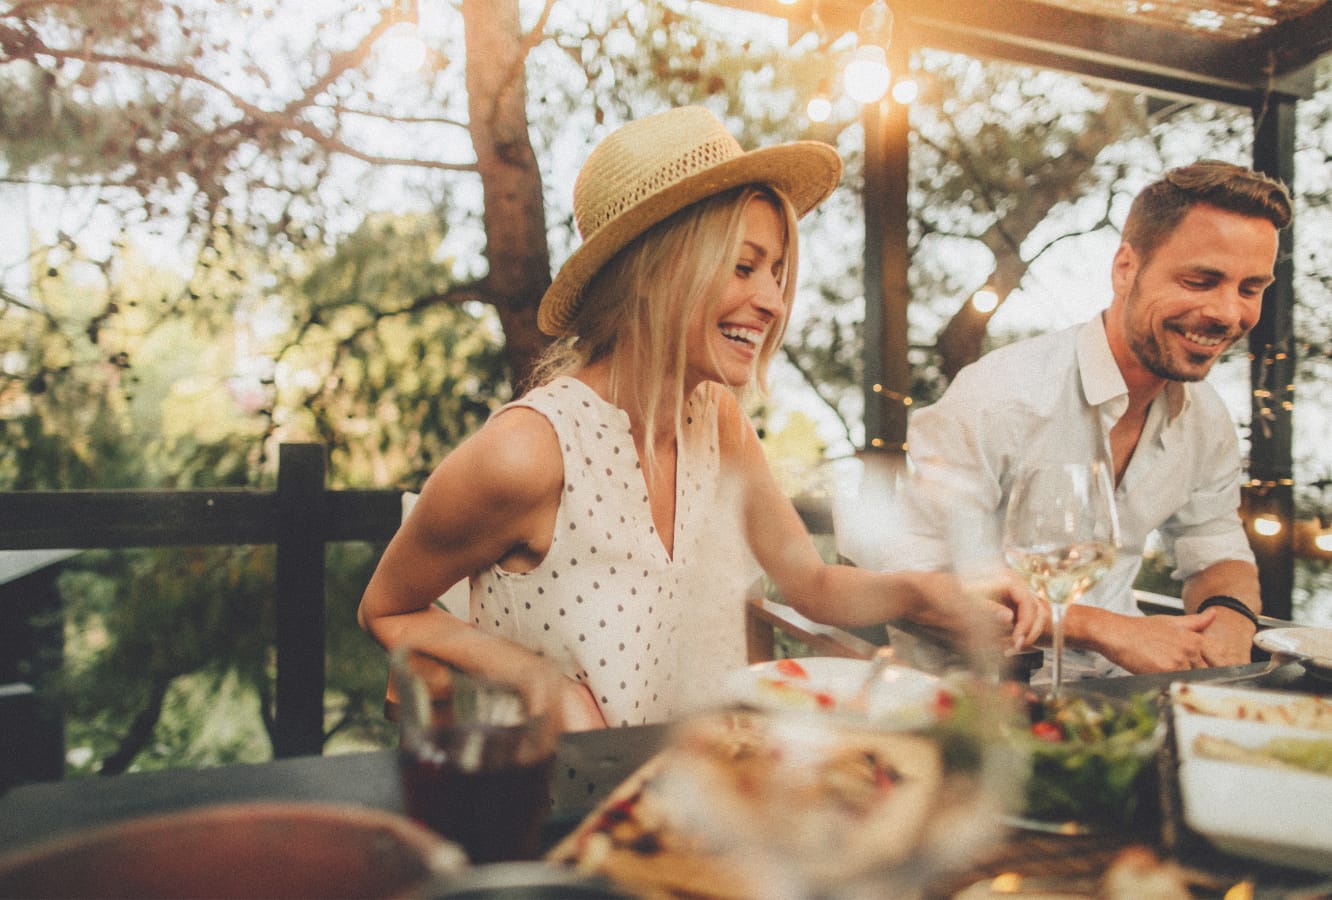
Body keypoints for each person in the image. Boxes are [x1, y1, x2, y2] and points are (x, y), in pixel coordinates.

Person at [358, 105, 1045, 731]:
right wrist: (536, 679)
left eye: (776, 272)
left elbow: (812, 584)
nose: (773, 301)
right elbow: (387, 608)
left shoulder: (716, 418)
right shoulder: (528, 452)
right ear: (654, 272)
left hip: (705, 799)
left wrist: (928, 589)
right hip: (560, 813)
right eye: (744, 266)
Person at [885, 159, 1293, 682]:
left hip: (1126, 693)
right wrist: (1103, 628)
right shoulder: (1000, 397)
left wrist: (1232, 619)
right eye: (1200, 280)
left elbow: (1215, 548)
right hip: (974, 701)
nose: (1228, 313)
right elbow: (911, 581)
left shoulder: (1207, 418)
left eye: (1250, 289)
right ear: (1125, 267)